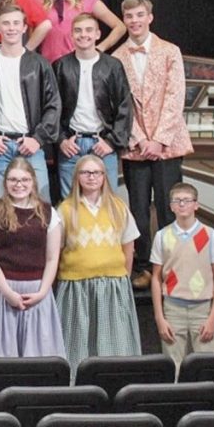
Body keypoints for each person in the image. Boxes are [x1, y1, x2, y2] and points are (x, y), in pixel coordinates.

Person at [113, 0, 193, 289]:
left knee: (168, 206)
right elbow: (121, 104)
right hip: (136, 147)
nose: (134, 21)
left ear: (150, 17)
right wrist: (140, 139)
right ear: (124, 20)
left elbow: (175, 97)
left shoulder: (170, 51)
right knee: (138, 209)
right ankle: (144, 266)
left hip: (167, 145)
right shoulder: (118, 57)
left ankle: (171, 266)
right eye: (129, 16)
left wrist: (158, 140)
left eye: (139, 15)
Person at [57, 155, 141, 376]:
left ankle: (116, 381)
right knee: (78, 344)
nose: (91, 177)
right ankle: (77, 385)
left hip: (112, 287)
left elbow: (128, 247)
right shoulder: (66, 210)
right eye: (86, 172)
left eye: (96, 172)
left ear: (104, 177)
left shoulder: (118, 207)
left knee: (114, 344)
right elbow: (56, 251)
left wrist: (122, 277)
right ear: (77, 177)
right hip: (77, 288)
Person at [0, 157, 65, 358]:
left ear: (33, 181)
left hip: (36, 293)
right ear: (5, 182)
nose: (19, 185)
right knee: (0, 359)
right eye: (13, 179)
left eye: (24, 179)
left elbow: (52, 258)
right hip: (0, 292)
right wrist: (8, 293)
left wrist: (42, 293)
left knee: (39, 358)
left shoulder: (49, 213)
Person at [0, 4, 60, 201]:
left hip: (30, 145)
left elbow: (53, 105)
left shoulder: (39, 64)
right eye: (6, 23)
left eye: (16, 23)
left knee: (41, 205)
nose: (11, 28)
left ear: (24, 28)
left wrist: (38, 139)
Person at [53, 13, 133, 198]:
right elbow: (52, 108)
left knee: (106, 202)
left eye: (89, 30)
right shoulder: (60, 66)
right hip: (71, 146)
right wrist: (61, 140)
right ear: (71, 35)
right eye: (78, 31)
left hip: (102, 144)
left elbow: (125, 106)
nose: (83, 35)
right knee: (70, 203)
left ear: (98, 34)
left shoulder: (112, 66)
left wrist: (112, 142)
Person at [150, 183, 214, 374]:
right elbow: (156, 278)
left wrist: (213, 318)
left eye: (187, 200)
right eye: (177, 201)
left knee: (208, 367)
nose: (182, 204)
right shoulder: (162, 236)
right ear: (171, 206)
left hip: (202, 310)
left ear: (196, 205)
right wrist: (160, 318)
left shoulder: (210, 235)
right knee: (173, 368)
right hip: (172, 309)